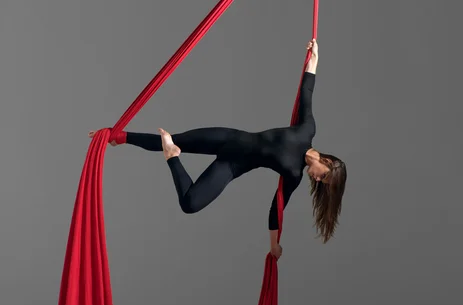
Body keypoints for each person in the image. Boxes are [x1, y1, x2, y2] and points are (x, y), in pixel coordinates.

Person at [90, 39, 347, 259]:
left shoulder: (293, 174)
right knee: (173, 138)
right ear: (327, 160)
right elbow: (306, 93)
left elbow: (276, 209)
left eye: (321, 181)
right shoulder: (307, 130)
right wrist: (314, 59)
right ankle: (122, 137)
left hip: (230, 166)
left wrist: (273, 245)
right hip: (226, 138)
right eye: (323, 175)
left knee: (190, 203)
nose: (317, 178)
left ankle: (173, 157)